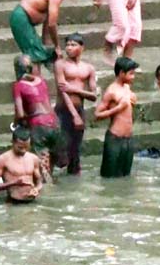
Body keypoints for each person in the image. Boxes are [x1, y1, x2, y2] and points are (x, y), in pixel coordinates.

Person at [9, 0, 84, 73]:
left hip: (24, 19)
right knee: (35, 53)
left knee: (42, 51)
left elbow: (47, 26)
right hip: (21, 18)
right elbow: (51, 25)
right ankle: (34, 81)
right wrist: (57, 46)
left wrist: (49, 48)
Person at [12, 54, 66, 180]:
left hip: (39, 125)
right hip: (55, 122)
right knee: (50, 162)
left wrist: (16, 125)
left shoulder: (18, 86)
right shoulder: (41, 81)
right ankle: (51, 182)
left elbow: (20, 114)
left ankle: (47, 193)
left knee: (42, 167)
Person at [54, 33, 97, 175]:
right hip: (63, 110)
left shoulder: (89, 68)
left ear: (82, 47)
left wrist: (73, 89)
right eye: (67, 45)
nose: (69, 48)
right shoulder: (60, 64)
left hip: (79, 109)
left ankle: (74, 179)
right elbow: (63, 92)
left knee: (75, 150)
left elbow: (93, 96)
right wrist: (74, 115)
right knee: (61, 149)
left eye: (73, 45)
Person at [95, 57, 138, 178]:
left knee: (125, 175)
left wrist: (133, 102)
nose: (133, 77)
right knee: (109, 176)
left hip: (128, 139)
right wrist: (117, 108)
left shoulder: (127, 87)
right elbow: (97, 115)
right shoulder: (111, 91)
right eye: (131, 74)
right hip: (115, 138)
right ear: (121, 73)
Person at [0, 128, 44, 203]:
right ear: (12, 142)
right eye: (20, 147)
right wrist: (14, 183)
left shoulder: (34, 158)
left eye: (26, 147)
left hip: (32, 201)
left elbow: (39, 182)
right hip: (13, 202)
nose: (24, 150)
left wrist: (36, 189)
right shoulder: (3, 159)